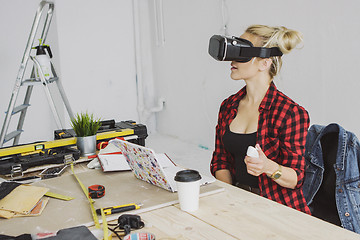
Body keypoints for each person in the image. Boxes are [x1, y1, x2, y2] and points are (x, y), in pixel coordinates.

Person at [210, 24, 311, 214]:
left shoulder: (291, 113)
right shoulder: (228, 106)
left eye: (242, 52)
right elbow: (221, 160)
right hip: (236, 203)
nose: (233, 59)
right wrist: (229, 199)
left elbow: (296, 178)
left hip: (277, 209)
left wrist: (268, 167)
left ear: (264, 63)